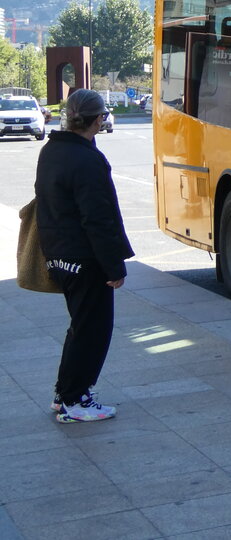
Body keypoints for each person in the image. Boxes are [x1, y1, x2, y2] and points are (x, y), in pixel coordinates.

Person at [35, 89, 134, 423]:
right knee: (93, 330)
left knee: (80, 326)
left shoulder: (52, 151)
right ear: (97, 120)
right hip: (86, 259)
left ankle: (65, 394)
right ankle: (74, 401)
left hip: (60, 255)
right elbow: (98, 218)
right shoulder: (87, 159)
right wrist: (113, 266)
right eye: (103, 116)